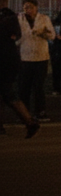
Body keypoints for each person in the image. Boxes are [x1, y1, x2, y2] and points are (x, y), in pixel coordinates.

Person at [0, 8, 40, 138]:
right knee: (7, 94)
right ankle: (29, 122)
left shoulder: (5, 25)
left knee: (8, 94)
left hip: (4, 63)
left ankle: (30, 122)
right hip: (11, 62)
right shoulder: (12, 26)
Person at [17, 0, 54, 122]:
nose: (28, 10)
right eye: (26, 7)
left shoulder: (44, 19)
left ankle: (40, 112)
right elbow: (16, 37)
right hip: (25, 57)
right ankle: (24, 114)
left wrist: (43, 33)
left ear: (36, 8)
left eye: (31, 7)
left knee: (39, 87)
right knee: (24, 87)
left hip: (41, 57)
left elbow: (52, 35)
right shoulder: (19, 19)